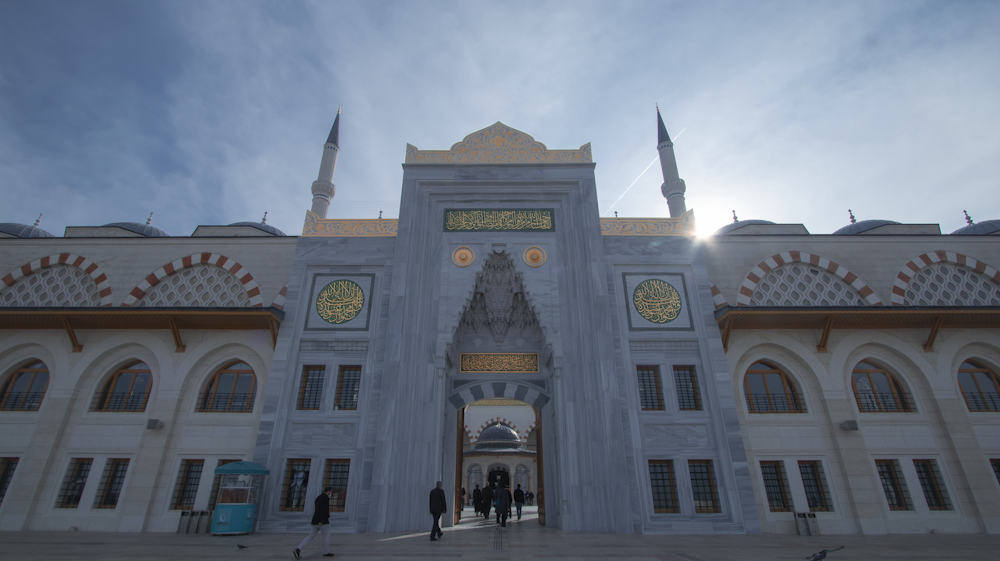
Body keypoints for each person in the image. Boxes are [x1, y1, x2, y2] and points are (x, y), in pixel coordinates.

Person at [293, 487, 334, 559]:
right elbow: (324, 510)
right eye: (331, 492)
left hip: (315, 520)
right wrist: (322, 520)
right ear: (329, 491)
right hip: (322, 522)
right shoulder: (326, 498)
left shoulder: (318, 497)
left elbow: (318, 509)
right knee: (326, 536)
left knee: (310, 536)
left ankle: (298, 549)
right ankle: (325, 552)